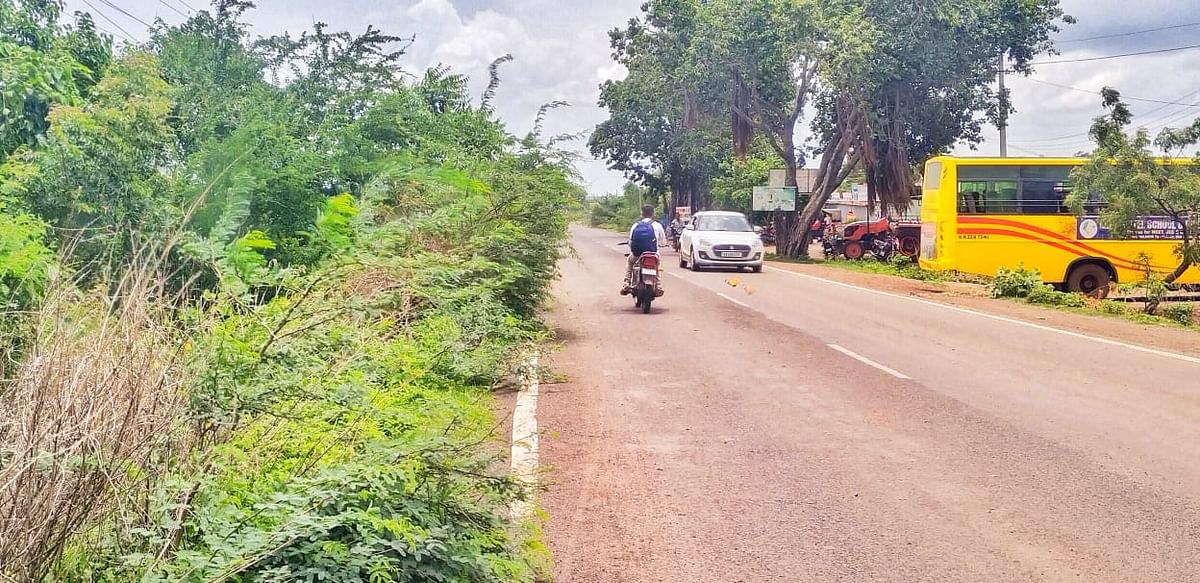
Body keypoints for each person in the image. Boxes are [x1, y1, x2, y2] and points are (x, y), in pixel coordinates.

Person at [622, 204, 667, 294]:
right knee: (657, 265)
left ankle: (626, 282)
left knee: (630, 261)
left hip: (637, 254)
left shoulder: (635, 225)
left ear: (642, 214)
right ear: (653, 214)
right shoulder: (657, 225)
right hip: (653, 254)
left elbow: (631, 242)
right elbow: (663, 243)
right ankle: (658, 285)